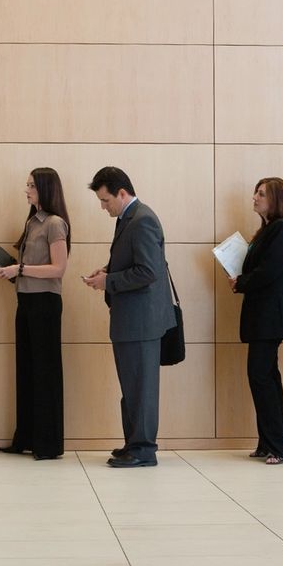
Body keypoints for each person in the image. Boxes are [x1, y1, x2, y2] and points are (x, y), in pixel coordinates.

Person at [83, 166, 174, 468]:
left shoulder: (143, 220)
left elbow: (148, 272)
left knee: (142, 388)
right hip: (130, 321)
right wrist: (108, 272)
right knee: (132, 388)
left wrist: (108, 282)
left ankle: (144, 449)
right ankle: (133, 443)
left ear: (122, 193)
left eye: (106, 200)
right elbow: (132, 263)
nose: (103, 206)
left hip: (141, 322)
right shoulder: (128, 218)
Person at [0, 168, 70, 461]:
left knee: (45, 373)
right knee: (26, 370)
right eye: (26, 185)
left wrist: (20, 269)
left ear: (46, 189)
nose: (26, 190)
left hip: (45, 304)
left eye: (31, 186)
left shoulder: (54, 224)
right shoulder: (31, 223)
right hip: (25, 301)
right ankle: (25, 437)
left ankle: (48, 444)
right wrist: (11, 270)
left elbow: (58, 268)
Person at [229, 177, 283, 465]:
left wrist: (242, 281)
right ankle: (270, 442)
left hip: (271, 316)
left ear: (276, 199)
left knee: (261, 377)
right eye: (255, 192)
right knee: (266, 377)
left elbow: (269, 271)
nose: (255, 198)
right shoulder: (269, 230)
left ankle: (275, 446)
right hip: (264, 315)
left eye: (261, 194)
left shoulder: (281, 229)